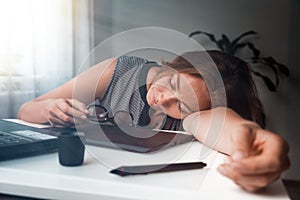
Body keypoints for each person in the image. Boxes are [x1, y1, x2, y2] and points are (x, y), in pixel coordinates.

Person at [18, 50, 290, 192]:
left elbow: (221, 125)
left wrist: (250, 136)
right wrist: (52, 109)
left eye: (181, 105)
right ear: (176, 64)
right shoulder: (117, 70)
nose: (161, 99)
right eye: (171, 82)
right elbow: (27, 110)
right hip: (73, 178)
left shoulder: (195, 116)